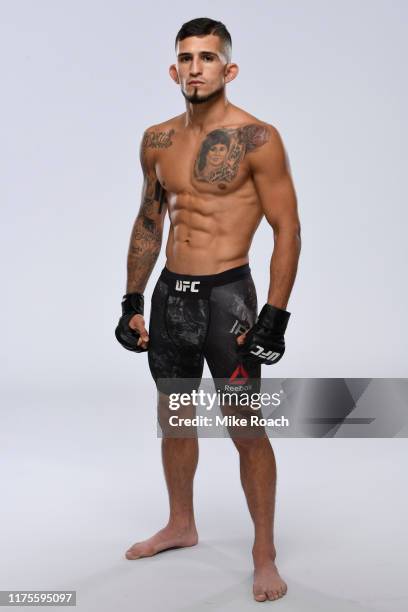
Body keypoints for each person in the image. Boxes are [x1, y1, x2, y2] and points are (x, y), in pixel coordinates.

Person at [115, 17, 301, 603]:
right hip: (172, 298)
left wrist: (274, 314)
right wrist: (131, 300)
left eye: (209, 57)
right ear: (175, 70)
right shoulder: (157, 140)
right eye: (187, 58)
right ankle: (181, 524)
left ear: (229, 68)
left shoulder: (258, 138)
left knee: (246, 427)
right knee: (175, 417)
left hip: (229, 300)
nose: (197, 67)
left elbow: (286, 226)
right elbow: (150, 221)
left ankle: (263, 551)